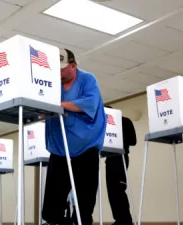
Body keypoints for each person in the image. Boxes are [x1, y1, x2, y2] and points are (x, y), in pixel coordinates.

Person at [42, 48, 107, 225]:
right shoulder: (51, 83)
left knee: (83, 208)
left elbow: (89, 104)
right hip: (59, 150)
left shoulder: (87, 79)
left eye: (62, 68)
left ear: (73, 65)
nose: (59, 72)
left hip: (85, 149)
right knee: (51, 209)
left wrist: (59, 105)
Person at [105, 105, 137, 225]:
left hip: (119, 157)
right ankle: (120, 219)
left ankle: (125, 220)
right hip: (112, 158)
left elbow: (133, 141)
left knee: (117, 189)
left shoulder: (123, 121)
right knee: (113, 190)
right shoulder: (125, 120)